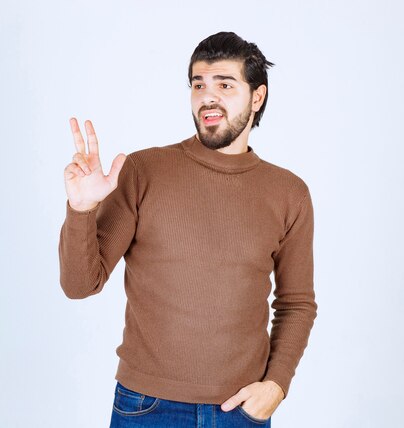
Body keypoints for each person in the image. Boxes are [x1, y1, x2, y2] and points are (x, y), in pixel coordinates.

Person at [58, 31, 317, 427]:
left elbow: (296, 304)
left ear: (257, 97)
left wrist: (276, 386)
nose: (207, 97)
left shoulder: (289, 192)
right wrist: (81, 209)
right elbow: (80, 285)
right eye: (199, 85)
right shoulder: (143, 171)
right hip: (146, 407)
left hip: (240, 411)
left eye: (225, 85)